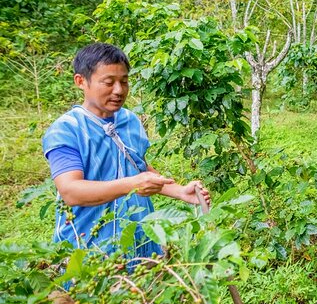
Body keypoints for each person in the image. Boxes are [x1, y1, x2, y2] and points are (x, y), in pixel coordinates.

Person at [42, 42, 210, 259]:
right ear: (81, 81)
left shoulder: (129, 120)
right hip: (88, 249)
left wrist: (179, 191)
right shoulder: (66, 130)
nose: (119, 90)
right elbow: (71, 191)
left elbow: (138, 167)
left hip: (140, 241)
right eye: (108, 82)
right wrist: (132, 185)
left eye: (124, 81)